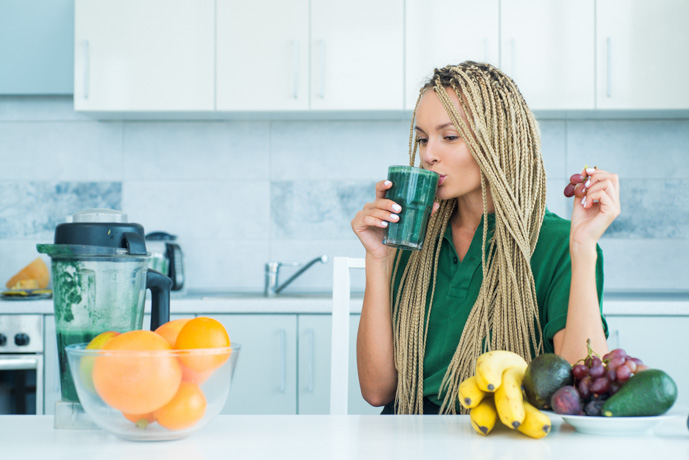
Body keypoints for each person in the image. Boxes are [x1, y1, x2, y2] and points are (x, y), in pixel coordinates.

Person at [351, 62, 621, 415]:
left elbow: (579, 391)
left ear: (499, 139)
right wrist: (379, 258)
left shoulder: (557, 243)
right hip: (407, 435)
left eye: (449, 137)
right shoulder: (411, 236)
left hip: (506, 434)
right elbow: (376, 391)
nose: (428, 153)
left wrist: (583, 248)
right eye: (422, 138)